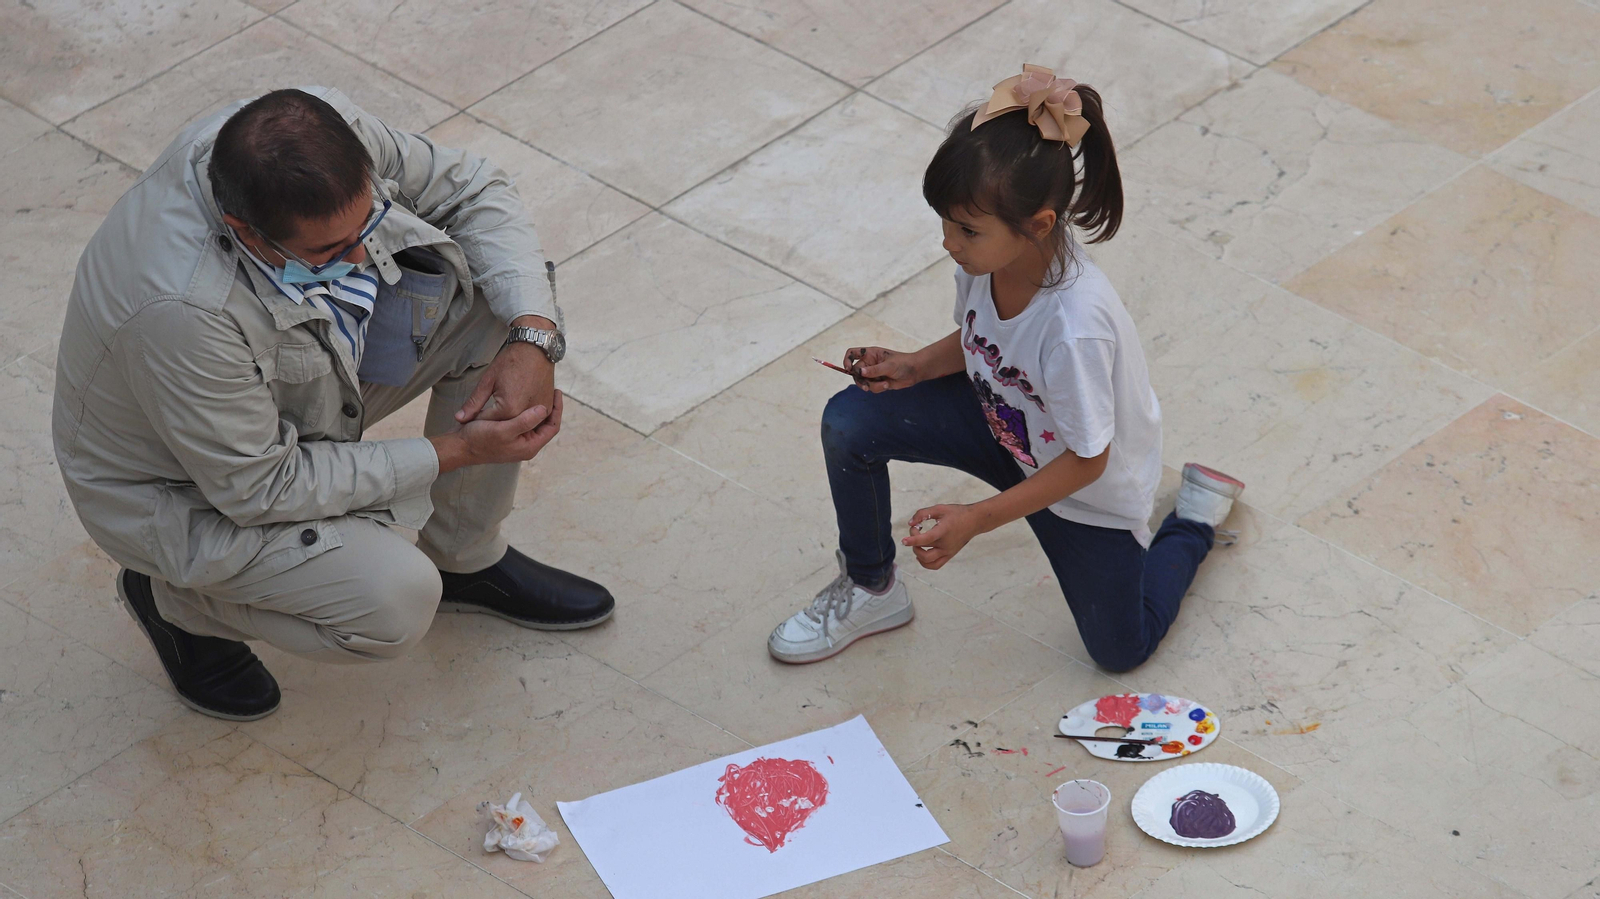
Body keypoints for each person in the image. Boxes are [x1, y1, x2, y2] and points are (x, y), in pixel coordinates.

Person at [53, 87, 615, 722]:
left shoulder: (314, 132)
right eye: (328, 252)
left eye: (368, 224)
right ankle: (178, 601)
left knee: (496, 303)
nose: (359, 259)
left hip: (292, 392)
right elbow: (262, 486)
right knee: (394, 601)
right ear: (246, 232)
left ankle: (465, 557)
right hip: (184, 487)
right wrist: (455, 452)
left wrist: (533, 333)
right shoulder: (182, 311)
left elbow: (476, 189)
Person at [767, 65, 1244, 672]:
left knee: (1121, 651)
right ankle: (870, 588)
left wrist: (978, 518)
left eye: (965, 229)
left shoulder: (1075, 329)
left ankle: (1194, 521)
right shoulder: (982, 260)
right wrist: (914, 366)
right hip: (1005, 428)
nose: (948, 243)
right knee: (851, 420)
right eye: (946, 223)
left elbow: (1088, 458)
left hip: (1080, 490)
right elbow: (981, 341)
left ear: (1038, 225)